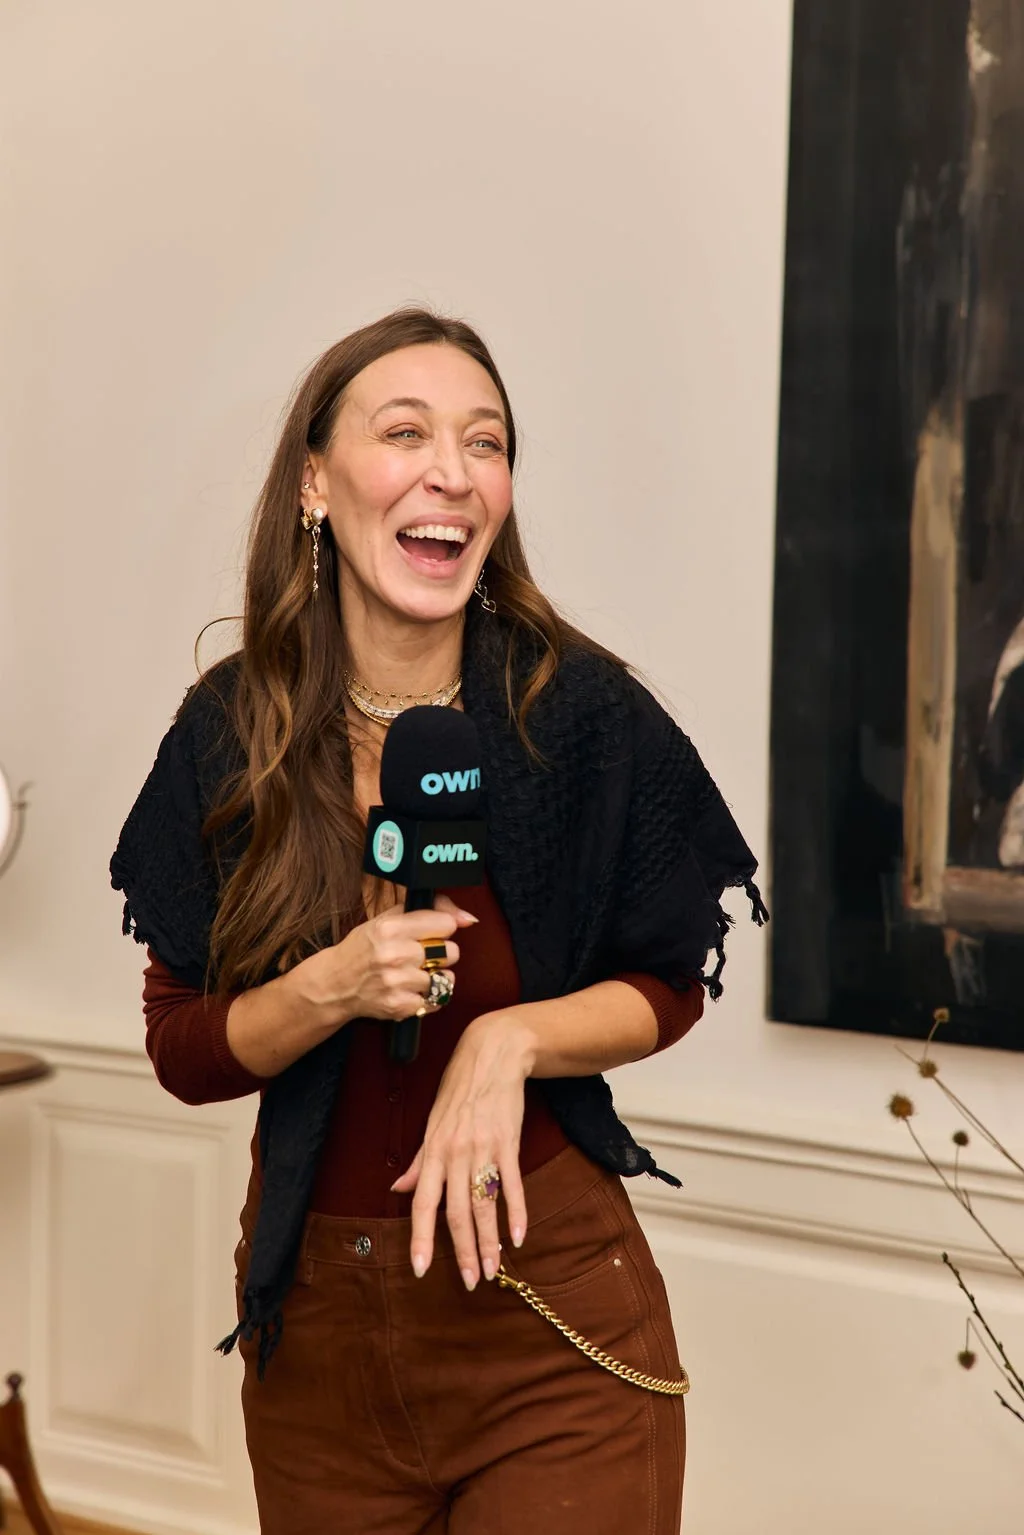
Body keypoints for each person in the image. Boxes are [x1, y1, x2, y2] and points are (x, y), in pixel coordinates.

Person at [110, 308, 765, 1535]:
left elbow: (669, 979)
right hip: (316, 1348)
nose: (452, 472)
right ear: (314, 482)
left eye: (486, 441)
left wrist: (509, 1041)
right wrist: (332, 985)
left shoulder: (576, 714)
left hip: (547, 1326)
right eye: (406, 432)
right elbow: (182, 1046)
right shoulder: (231, 732)